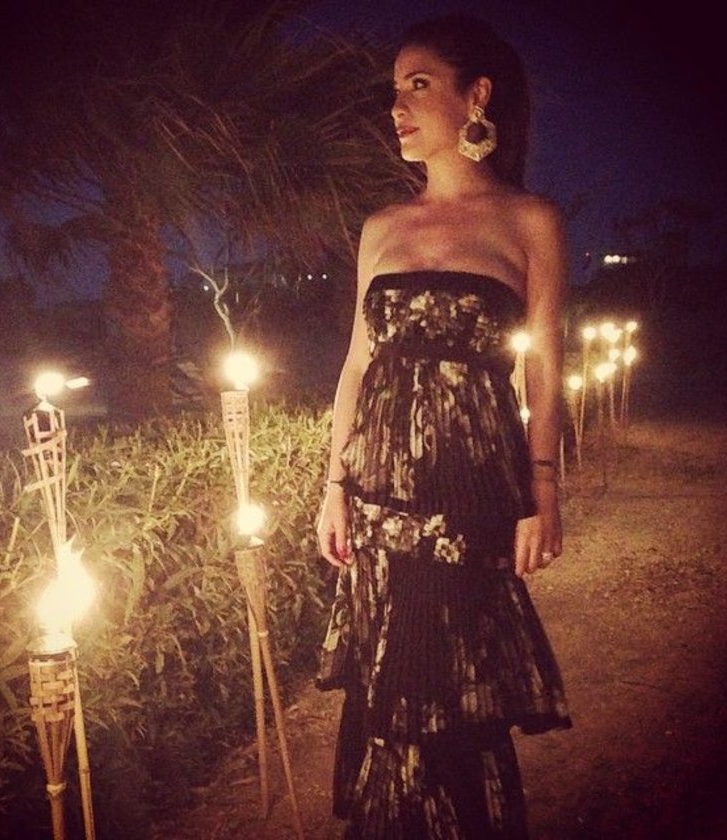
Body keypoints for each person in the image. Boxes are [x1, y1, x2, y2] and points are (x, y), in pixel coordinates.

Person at [315, 12, 571, 838]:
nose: (397, 107)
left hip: (470, 497)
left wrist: (543, 491)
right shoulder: (381, 228)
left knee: (451, 690)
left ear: (476, 96)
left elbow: (544, 365)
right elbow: (357, 364)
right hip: (378, 499)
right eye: (394, 90)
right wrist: (333, 487)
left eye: (418, 85)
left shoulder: (529, 220)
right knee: (388, 689)